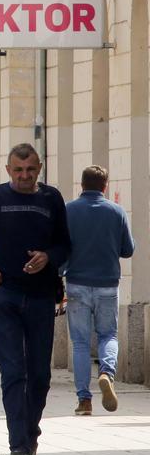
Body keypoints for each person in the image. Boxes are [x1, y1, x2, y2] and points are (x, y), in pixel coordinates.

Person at [0, 142, 71, 455]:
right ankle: (18, 447)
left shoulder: (51, 199)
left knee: (39, 375)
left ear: (40, 169)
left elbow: (65, 243)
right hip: (5, 296)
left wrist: (48, 257)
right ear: (8, 170)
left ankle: (30, 433)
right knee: (13, 372)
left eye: (30, 170)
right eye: (18, 170)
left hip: (40, 297)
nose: (24, 176)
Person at [63, 165, 135, 416]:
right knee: (108, 336)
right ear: (105, 186)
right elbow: (128, 249)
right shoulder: (116, 212)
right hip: (107, 284)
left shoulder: (68, 210)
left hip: (76, 284)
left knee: (80, 343)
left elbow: (60, 248)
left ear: (81, 185)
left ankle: (84, 400)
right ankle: (107, 373)